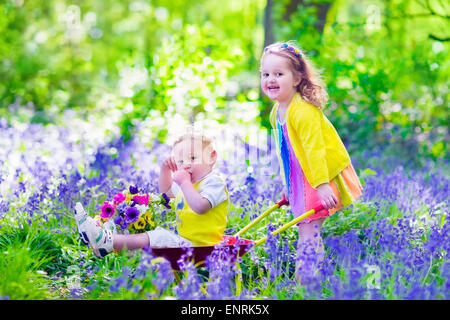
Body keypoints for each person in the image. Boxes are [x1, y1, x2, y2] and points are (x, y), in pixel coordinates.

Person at [260, 41, 363, 283]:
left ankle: (306, 283)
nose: (270, 79)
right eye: (265, 74)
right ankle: (311, 280)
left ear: (296, 78)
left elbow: (315, 151)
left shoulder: (303, 111)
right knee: (307, 229)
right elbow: (285, 152)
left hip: (319, 177)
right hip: (301, 178)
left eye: (279, 74)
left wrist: (322, 185)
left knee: (309, 230)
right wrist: (288, 185)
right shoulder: (277, 111)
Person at [74, 131, 229, 258]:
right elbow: (165, 194)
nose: (186, 164)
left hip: (202, 246)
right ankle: (101, 231)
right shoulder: (186, 182)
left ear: (212, 156)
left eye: (193, 158)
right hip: (185, 242)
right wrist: (165, 170)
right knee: (131, 225)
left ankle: (105, 241)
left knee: (157, 236)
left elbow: (201, 207)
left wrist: (185, 183)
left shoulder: (213, 182)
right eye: (180, 162)